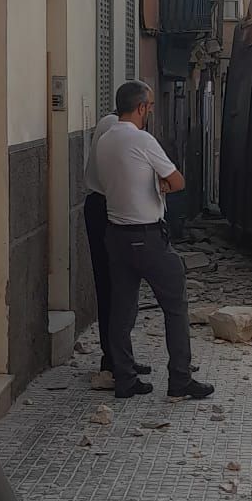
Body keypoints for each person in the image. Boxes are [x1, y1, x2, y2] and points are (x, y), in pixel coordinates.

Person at [95, 80, 214, 401]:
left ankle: (124, 378)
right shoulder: (142, 139)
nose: (150, 110)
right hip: (146, 237)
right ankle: (180, 381)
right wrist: (160, 183)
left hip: (115, 235)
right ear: (141, 107)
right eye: (148, 105)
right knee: (175, 307)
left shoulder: (104, 140)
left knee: (122, 309)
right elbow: (177, 181)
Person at [82, 107, 150, 391]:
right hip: (108, 210)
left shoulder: (110, 126)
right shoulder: (115, 128)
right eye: (146, 107)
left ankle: (120, 357)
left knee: (121, 288)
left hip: (106, 208)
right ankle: (114, 360)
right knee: (113, 288)